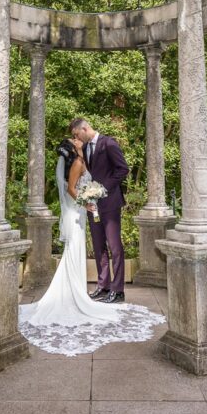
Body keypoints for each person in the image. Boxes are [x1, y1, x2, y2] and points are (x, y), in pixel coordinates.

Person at [17, 133, 162, 357]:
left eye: (77, 137)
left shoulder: (87, 156)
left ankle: (111, 289)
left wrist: (95, 195)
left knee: (107, 247)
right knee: (84, 249)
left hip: (94, 209)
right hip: (82, 212)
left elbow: (113, 173)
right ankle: (88, 289)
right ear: (72, 147)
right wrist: (86, 203)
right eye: (74, 140)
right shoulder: (76, 162)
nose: (77, 141)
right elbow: (71, 189)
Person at [70, 118, 129, 303]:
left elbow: (123, 169)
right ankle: (104, 286)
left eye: (76, 134)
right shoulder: (86, 148)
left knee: (114, 246)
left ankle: (118, 291)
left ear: (85, 128)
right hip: (93, 206)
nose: (76, 138)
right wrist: (88, 197)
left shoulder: (109, 143)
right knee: (98, 246)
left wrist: (103, 189)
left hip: (110, 203)